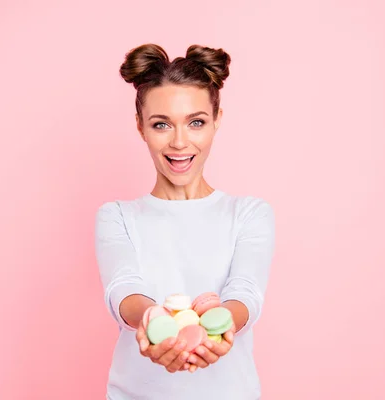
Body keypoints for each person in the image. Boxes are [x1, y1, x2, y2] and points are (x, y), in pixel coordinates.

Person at [94, 43, 276, 400]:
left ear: (217, 120)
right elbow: (123, 289)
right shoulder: (116, 216)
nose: (180, 142)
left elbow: (245, 294)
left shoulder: (250, 213)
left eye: (196, 122)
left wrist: (222, 322)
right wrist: (154, 321)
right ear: (140, 127)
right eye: (161, 124)